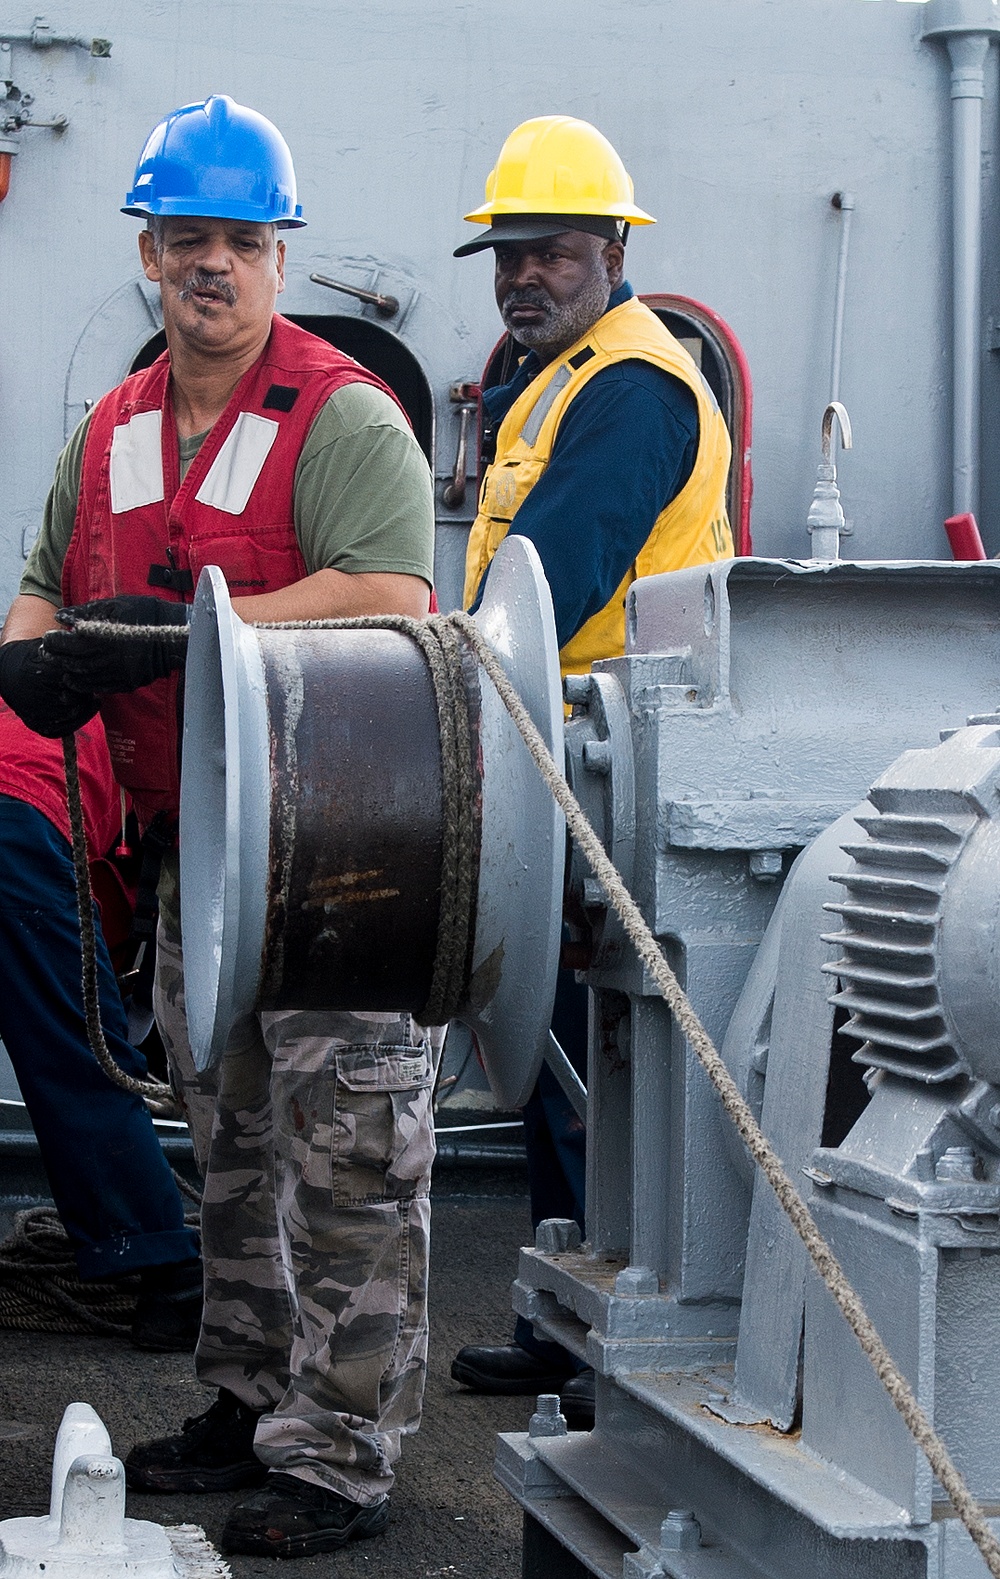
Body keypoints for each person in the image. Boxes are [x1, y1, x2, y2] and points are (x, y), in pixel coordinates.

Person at [0, 94, 435, 1559]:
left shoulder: (342, 415)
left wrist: (183, 634)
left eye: (243, 242)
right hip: (202, 868)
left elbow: (390, 595)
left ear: (275, 254)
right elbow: (48, 583)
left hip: (341, 849)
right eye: (188, 239)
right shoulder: (117, 429)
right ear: (148, 251)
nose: (215, 267)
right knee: (233, 1136)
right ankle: (249, 1398)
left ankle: (343, 1447)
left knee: (351, 1146)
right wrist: (42, 651)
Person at [450, 115, 734, 1428]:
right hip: (560, 750)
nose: (523, 277)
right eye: (508, 256)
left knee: (595, 1056)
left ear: (614, 249)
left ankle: (599, 1333)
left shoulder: (631, 386)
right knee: (571, 1050)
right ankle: (560, 1319)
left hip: (616, 764)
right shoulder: (557, 377)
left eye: (551, 252)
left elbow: (546, 581)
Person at [0, 702, 201, 1347]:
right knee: (85, 1057)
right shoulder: (137, 739)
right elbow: (108, 936)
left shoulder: (45, 690)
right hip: (17, 828)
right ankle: (170, 1277)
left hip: (21, 816)